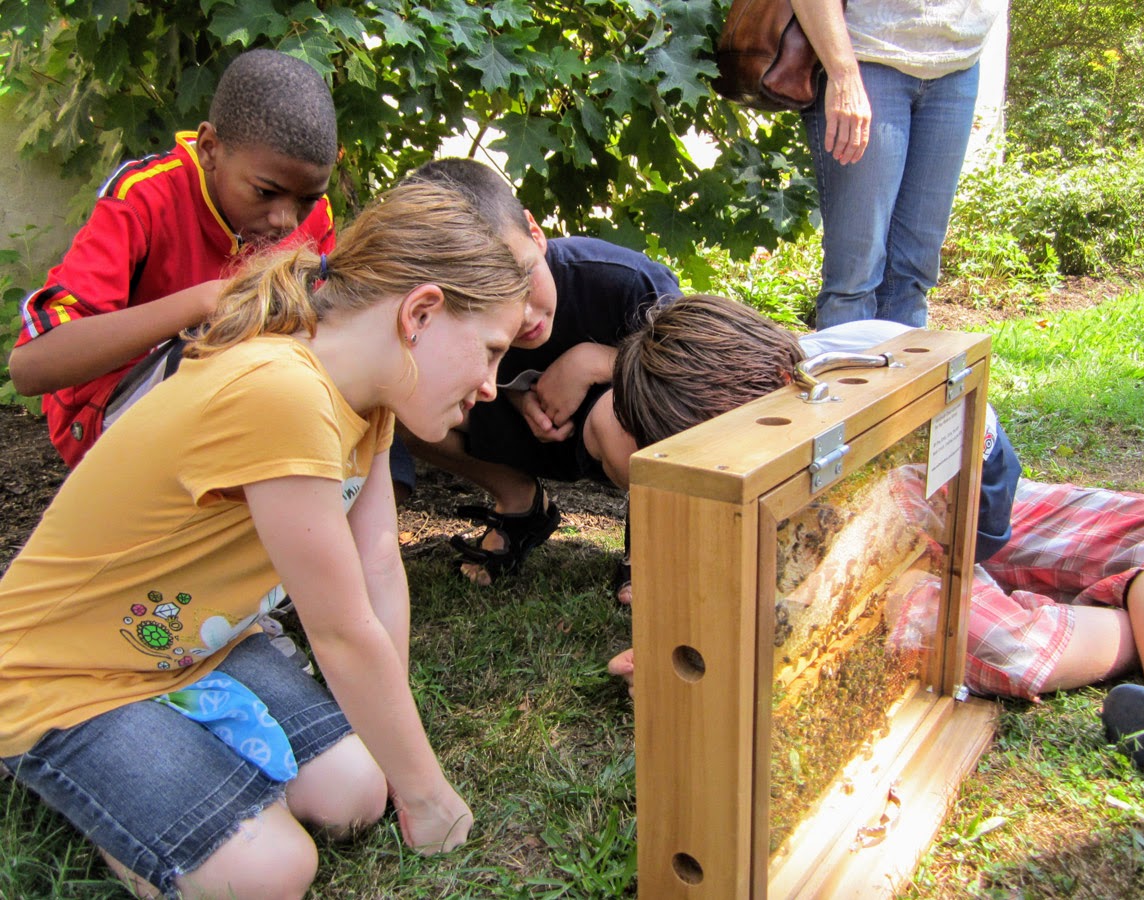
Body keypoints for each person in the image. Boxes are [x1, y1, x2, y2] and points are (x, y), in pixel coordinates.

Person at [0, 180, 530, 899]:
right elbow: (340, 631)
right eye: (491, 351)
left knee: (355, 796)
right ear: (422, 313)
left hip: (197, 651)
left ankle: (177, 761)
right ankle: (94, 790)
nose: (493, 385)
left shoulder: (366, 397)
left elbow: (377, 565)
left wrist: (397, 751)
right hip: (61, 677)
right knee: (272, 873)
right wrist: (430, 796)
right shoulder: (282, 391)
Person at [607, 294, 1144, 797]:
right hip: (874, 580)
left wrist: (963, 542)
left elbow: (987, 490)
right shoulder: (696, 487)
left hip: (938, 503)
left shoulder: (873, 349)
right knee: (1007, 645)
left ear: (789, 370)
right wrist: (677, 658)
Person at [8, 48, 339, 467]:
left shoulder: (315, 221)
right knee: (221, 361)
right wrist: (203, 302)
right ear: (209, 148)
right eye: (265, 192)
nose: (285, 220)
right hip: (109, 416)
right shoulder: (145, 198)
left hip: (247, 403)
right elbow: (31, 367)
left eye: (307, 199)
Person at [393, 158, 680, 603]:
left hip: (625, 435)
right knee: (403, 401)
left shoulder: (624, 281)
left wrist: (596, 362)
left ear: (534, 231)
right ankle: (521, 505)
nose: (523, 316)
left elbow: (689, 372)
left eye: (524, 277)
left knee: (619, 420)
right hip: (530, 431)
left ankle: (652, 542)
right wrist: (514, 395)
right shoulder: (439, 315)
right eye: (487, 297)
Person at [790, 0, 1005, 329]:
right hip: (866, 57)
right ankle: (849, 381)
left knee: (912, 276)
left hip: (959, 63)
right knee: (854, 280)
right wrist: (842, 73)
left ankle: (906, 380)